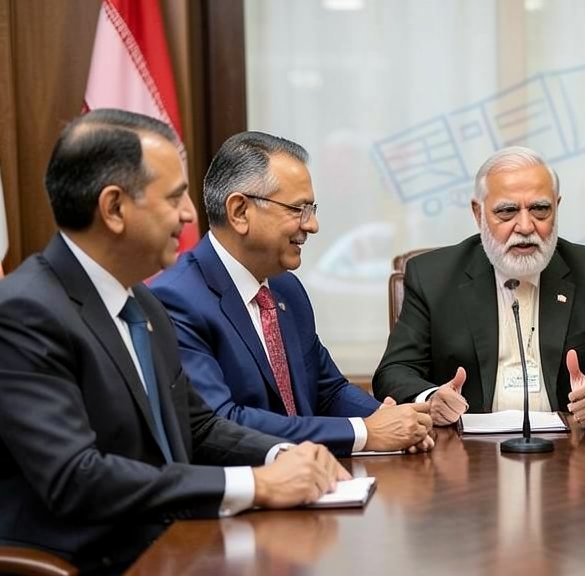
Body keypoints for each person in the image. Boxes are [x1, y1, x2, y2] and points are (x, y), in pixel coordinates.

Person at [0, 110, 347, 572]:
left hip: (179, 540)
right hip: (94, 558)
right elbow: (76, 477)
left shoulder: (141, 302)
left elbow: (200, 427)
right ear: (114, 208)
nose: (190, 215)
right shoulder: (24, 312)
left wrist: (286, 454)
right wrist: (256, 484)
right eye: (175, 198)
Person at [151, 132, 432, 456]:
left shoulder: (286, 288)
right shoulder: (176, 299)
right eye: (298, 209)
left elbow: (329, 391)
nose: (312, 225)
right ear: (240, 211)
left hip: (314, 480)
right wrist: (365, 432)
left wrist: (396, 420)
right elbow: (221, 422)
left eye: (311, 209)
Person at [373, 146, 585, 428]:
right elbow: (393, 372)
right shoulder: (433, 277)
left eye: (540, 209)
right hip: (463, 452)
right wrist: (433, 399)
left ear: (556, 207)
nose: (525, 226)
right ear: (478, 213)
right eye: (507, 211)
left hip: (570, 450)